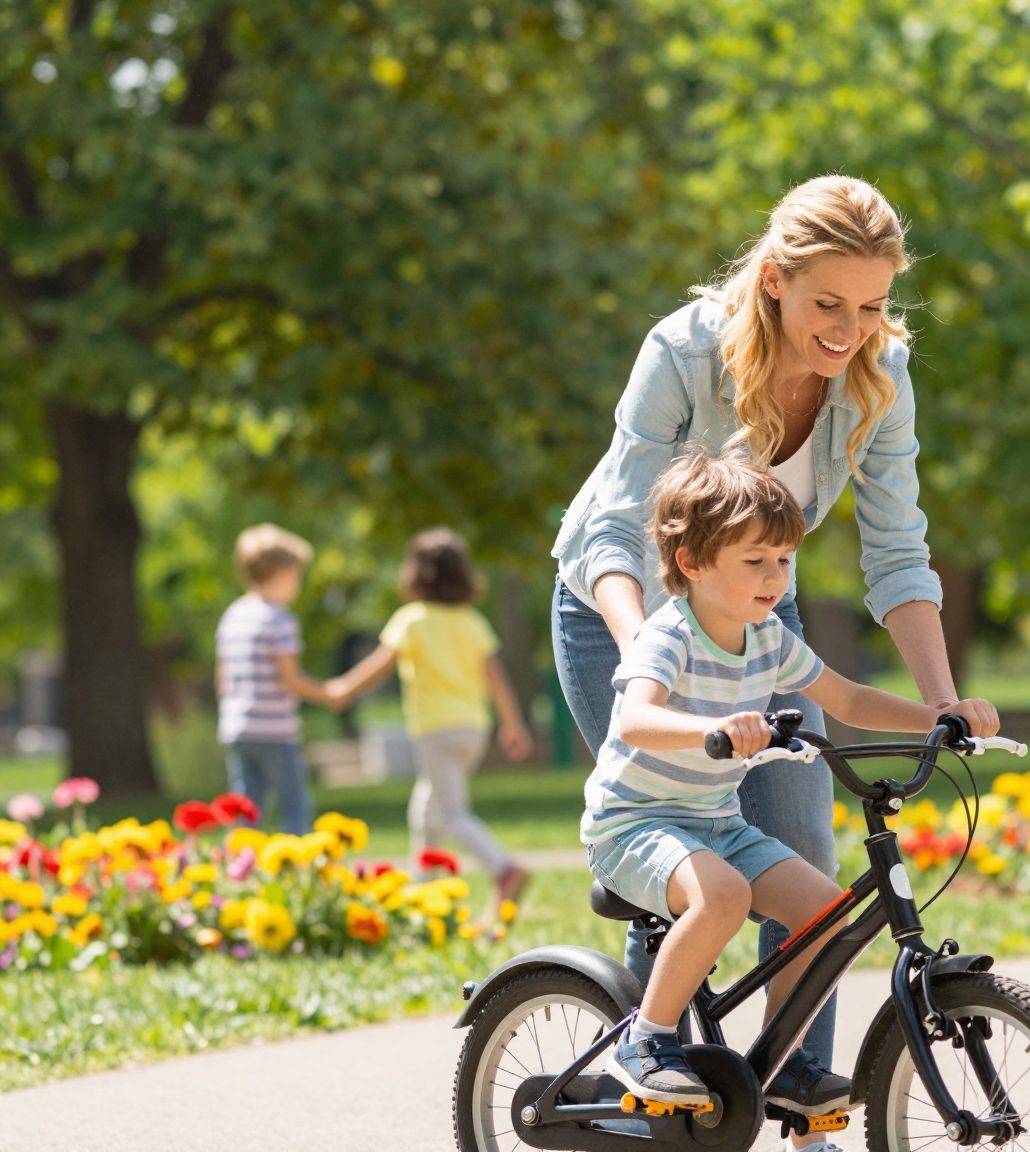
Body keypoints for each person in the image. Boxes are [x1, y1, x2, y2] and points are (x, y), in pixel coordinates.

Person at [549, 175, 995, 1144]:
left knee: (800, 865)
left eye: (872, 305)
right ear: (777, 280)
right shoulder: (686, 349)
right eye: (827, 303)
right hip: (621, 607)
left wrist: (943, 701)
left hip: (757, 610)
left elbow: (897, 549)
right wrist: (651, 660)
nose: (850, 329)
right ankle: (649, 1079)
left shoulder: (881, 372)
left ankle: (790, 1079)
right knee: (679, 836)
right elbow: (618, 527)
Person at [589, 453, 949, 1116]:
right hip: (636, 825)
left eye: (783, 561)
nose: (775, 577)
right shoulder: (668, 635)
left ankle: (784, 1065)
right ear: (693, 562)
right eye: (755, 561)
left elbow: (847, 699)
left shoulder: (769, 639)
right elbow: (635, 719)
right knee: (722, 896)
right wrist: (714, 728)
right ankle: (645, 1041)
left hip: (715, 825)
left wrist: (941, 717)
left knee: (825, 915)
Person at [327, 528, 535, 907]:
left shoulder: (411, 619)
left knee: (452, 813)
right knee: (426, 808)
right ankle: (422, 889)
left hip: (436, 731)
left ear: (415, 574)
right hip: (472, 730)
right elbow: (496, 676)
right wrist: (513, 724)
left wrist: (344, 690)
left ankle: (504, 868)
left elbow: (379, 666)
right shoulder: (471, 621)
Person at [215, 524, 337, 835]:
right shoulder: (279, 619)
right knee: (294, 803)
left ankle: (238, 871)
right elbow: (290, 679)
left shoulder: (233, 616)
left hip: (237, 726)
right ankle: (295, 870)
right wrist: (328, 693)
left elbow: (222, 680)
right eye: (297, 575)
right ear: (282, 573)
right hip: (275, 729)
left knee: (244, 805)